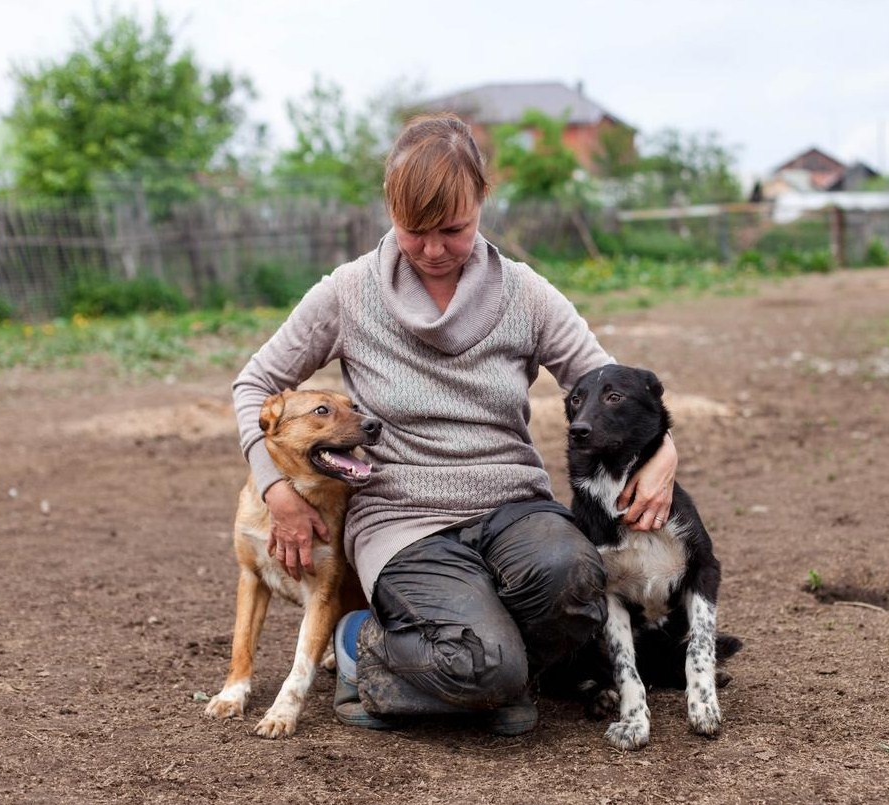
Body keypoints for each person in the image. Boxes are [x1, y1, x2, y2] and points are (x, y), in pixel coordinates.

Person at [232, 113, 677, 734]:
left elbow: (611, 385)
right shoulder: (347, 293)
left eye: (454, 229)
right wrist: (276, 490)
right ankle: (369, 646)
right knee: (489, 669)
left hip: (513, 508)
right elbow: (253, 383)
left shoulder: (526, 295)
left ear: (482, 202)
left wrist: (665, 455)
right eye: (415, 232)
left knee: (577, 582)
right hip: (402, 520)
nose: (434, 250)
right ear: (390, 209)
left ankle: (479, 670)